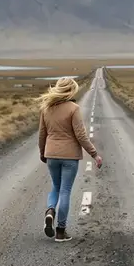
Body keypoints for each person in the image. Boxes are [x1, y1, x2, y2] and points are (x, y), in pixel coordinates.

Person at [37, 76, 102, 242]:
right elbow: (81, 135)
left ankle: (50, 211)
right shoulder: (73, 108)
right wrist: (94, 154)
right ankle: (60, 231)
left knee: (55, 187)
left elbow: (42, 134)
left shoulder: (46, 108)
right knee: (65, 191)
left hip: (51, 154)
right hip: (69, 156)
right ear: (71, 90)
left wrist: (42, 153)